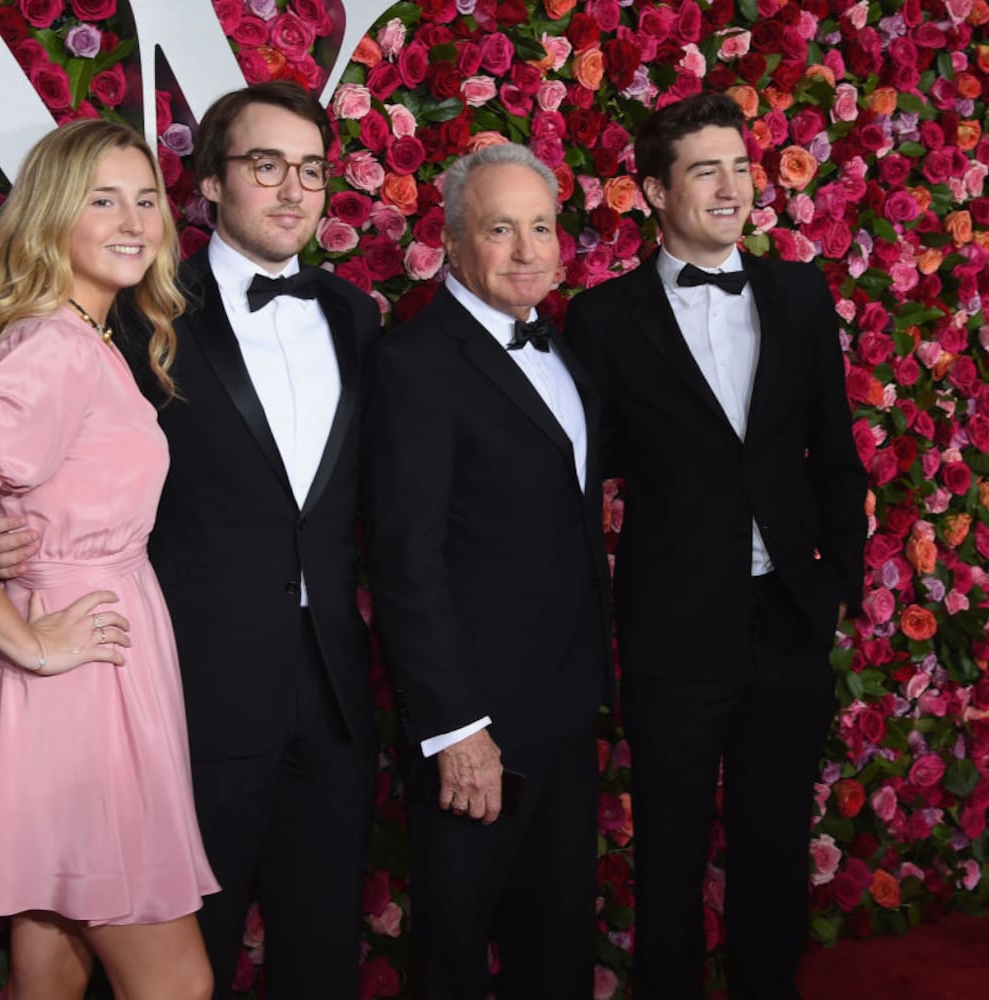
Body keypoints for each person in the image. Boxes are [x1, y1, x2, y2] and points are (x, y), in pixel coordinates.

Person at [0, 82, 380, 999]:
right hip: (181, 691)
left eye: (312, 170)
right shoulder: (128, 302)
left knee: (321, 953)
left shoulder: (358, 316)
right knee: (164, 963)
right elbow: (14, 442)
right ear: (207, 184)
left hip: (332, 692)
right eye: (265, 165)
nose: (292, 190)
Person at [0, 119, 217, 1000]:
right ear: (51, 219)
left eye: (146, 199)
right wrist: (33, 643)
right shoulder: (55, 351)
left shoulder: (87, 340)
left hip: (88, 674)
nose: (133, 220)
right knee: (175, 984)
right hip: (77, 688)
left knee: (50, 967)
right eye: (102, 199)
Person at [565, 92, 868, 1000]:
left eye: (740, 165)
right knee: (669, 851)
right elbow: (584, 481)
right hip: (673, 630)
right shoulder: (604, 320)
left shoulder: (800, 294)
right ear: (655, 192)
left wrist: (838, 587)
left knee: (776, 847)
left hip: (786, 620)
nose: (734, 186)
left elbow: (836, 453)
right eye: (707, 170)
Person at [362, 142, 613, 999]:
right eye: (500, 229)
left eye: (541, 227)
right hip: (479, 728)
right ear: (453, 242)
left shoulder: (566, 349)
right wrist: (456, 727)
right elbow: (405, 559)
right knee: (457, 956)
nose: (527, 249)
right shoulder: (415, 364)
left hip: (566, 707)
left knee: (556, 947)